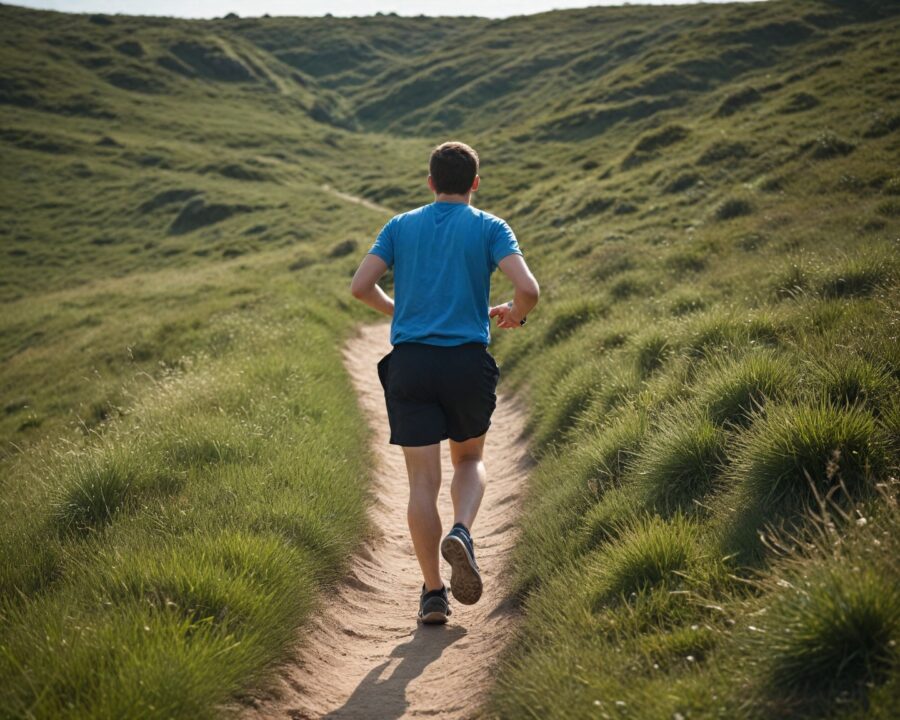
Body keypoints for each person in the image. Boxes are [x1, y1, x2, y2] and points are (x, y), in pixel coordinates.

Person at [349, 140, 540, 624]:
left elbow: (359, 285)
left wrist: (400, 312)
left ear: (430, 182)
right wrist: (514, 316)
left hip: (410, 364)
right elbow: (528, 289)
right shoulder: (490, 227)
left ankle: (433, 593)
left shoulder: (400, 225)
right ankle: (462, 530)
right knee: (470, 457)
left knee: (421, 481)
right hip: (464, 363)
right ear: (475, 183)